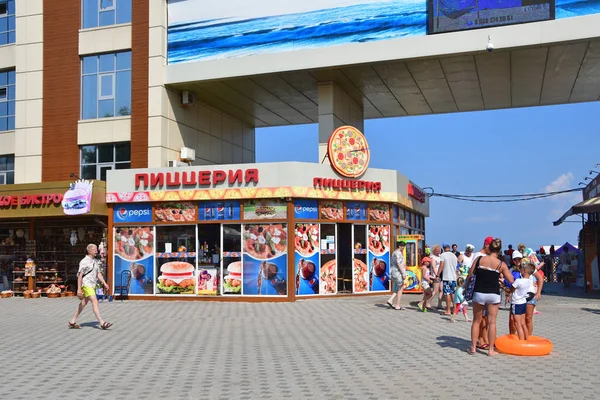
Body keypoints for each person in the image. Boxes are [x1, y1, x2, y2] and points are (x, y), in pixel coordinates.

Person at [464, 238, 514, 356]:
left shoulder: (479, 259)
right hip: (493, 294)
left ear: (489, 247)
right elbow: (511, 280)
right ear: (499, 250)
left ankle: (473, 348)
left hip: (479, 292)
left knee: (476, 321)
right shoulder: (501, 264)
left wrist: (466, 287)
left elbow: (470, 275)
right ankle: (491, 350)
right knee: (492, 322)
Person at [68, 244, 112, 330]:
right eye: (94, 250)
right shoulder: (84, 261)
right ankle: (102, 322)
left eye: (96, 249)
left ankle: (72, 321)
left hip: (92, 285)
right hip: (87, 284)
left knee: (84, 303)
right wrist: (79, 289)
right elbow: (80, 276)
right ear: (89, 251)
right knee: (95, 302)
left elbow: (98, 273)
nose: (96, 251)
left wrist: (104, 283)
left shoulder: (95, 261)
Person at [507, 263, 535, 340]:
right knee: (523, 323)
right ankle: (526, 339)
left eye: (522, 269)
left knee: (517, 324)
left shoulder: (518, 281)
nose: (520, 270)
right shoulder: (529, 281)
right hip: (523, 302)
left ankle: (521, 341)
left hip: (516, 303)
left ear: (525, 271)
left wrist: (505, 289)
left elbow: (511, 290)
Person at [439, 244, 458, 315]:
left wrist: (438, 274)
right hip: (453, 277)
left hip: (447, 277)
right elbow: (456, 267)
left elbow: (441, 265)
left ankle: (448, 310)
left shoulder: (443, 255)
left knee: (447, 293)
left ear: (443, 248)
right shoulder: (454, 255)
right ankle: (455, 309)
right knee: (453, 293)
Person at [388, 241, 407, 310]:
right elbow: (399, 263)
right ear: (400, 246)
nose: (404, 248)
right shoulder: (398, 253)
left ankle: (391, 300)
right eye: (403, 246)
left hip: (394, 272)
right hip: (398, 272)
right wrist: (403, 273)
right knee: (400, 288)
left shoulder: (394, 252)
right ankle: (397, 305)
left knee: (400, 287)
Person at [427, 245, 443, 309]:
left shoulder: (440, 256)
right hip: (436, 275)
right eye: (436, 251)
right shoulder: (433, 258)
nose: (438, 252)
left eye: (439, 250)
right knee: (435, 290)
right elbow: (433, 267)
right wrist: (437, 275)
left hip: (441, 274)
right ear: (434, 251)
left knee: (441, 289)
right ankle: (428, 303)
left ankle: (439, 304)